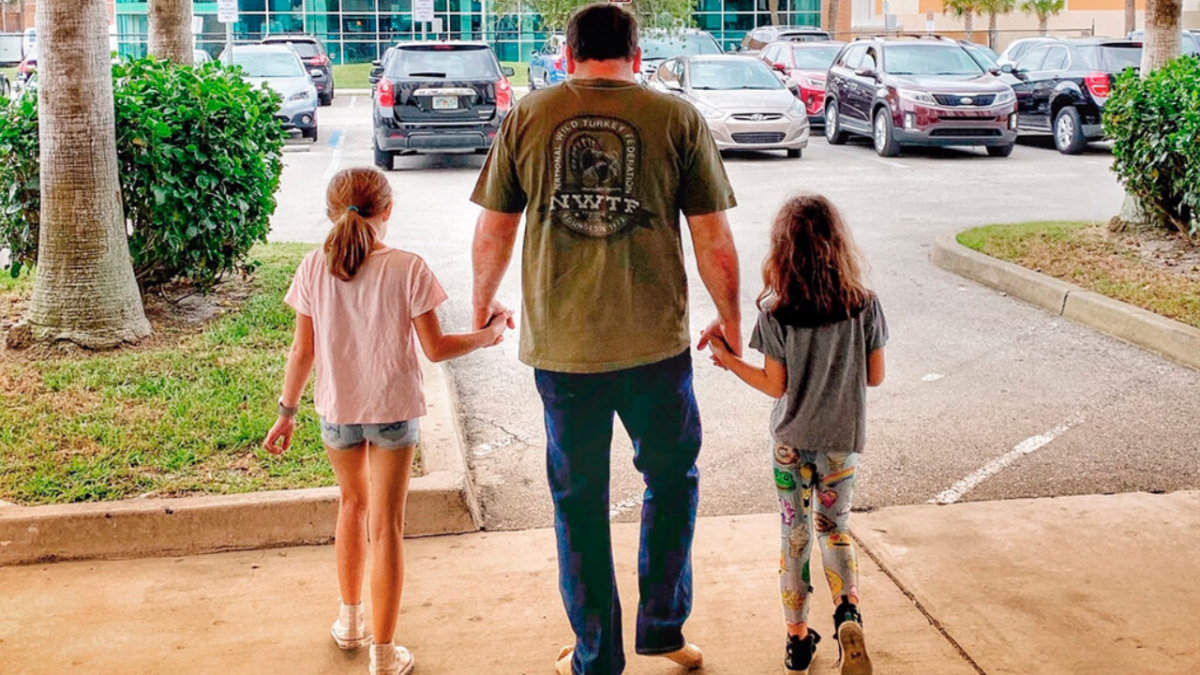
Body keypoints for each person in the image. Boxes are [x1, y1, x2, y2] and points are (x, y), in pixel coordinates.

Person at [469, 4, 741, 674]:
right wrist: (733, 323)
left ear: (567, 54)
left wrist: (482, 305)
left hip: (563, 351)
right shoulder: (677, 118)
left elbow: (495, 230)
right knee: (673, 480)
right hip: (657, 348)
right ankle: (662, 628)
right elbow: (713, 240)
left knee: (578, 500)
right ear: (637, 54)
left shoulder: (529, 116)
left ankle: (598, 654)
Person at [263, 167, 510, 675]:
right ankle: (383, 653)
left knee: (351, 506)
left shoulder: (313, 268)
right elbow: (437, 349)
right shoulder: (408, 268)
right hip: (394, 412)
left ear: (332, 212)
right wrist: (490, 334)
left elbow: (302, 350)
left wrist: (286, 412)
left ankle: (350, 624)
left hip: (338, 412)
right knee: (387, 526)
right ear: (388, 210)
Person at [705, 194, 886, 675]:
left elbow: (774, 385)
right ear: (838, 245)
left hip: (790, 443)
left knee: (795, 535)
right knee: (835, 529)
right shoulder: (864, 305)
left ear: (782, 250)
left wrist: (727, 358)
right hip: (841, 442)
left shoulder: (777, 311)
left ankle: (797, 641)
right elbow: (875, 376)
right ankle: (848, 614)